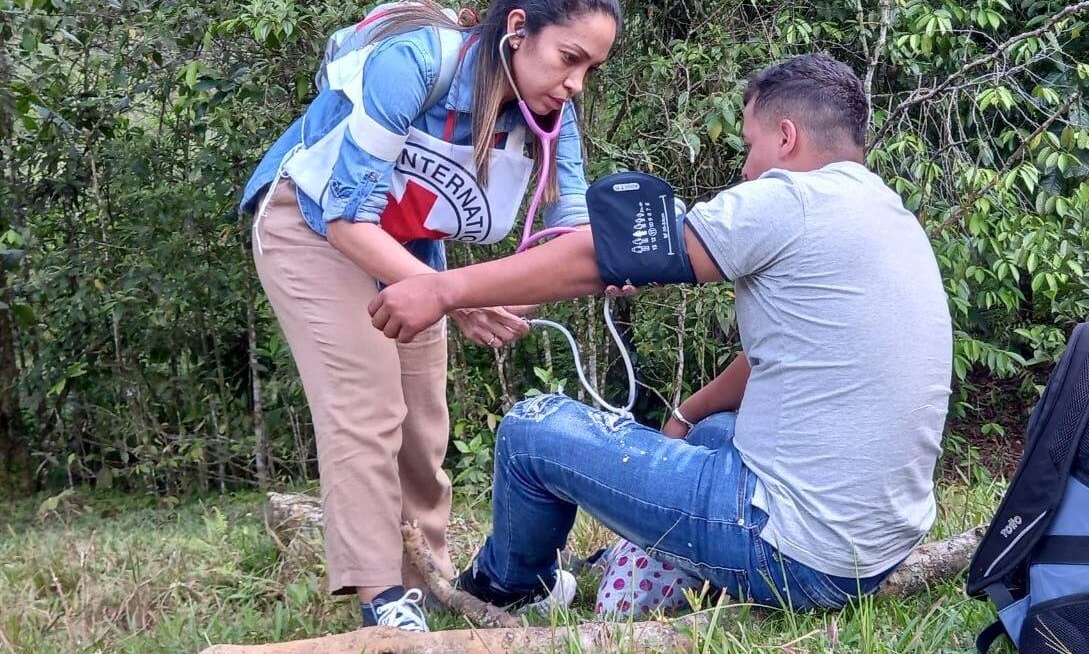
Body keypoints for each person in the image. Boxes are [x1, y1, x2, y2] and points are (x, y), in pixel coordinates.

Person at [368, 53, 954, 612]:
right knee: (712, 432)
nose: (745, 169)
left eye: (749, 146)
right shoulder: (887, 213)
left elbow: (605, 256)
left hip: (793, 555)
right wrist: (684, 415)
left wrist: (444, 290)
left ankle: (509, 586)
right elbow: (773, 356)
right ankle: (656, 555)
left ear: (786, 137)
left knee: (532, 430)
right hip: (874, 549)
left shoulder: (790, 200)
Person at [239, 0, 621, 631]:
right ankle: (381, 599)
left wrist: (509, 289)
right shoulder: (415, 65)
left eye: (591, 69)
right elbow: (349, 218)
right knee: (368, 401)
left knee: (422, 423)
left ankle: (429, 584)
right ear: (518, 29)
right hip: (313, 224)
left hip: (411, 246)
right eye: (569, 58)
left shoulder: (552, 119)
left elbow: (573, 242)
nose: (576, 84)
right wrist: (459, 296)